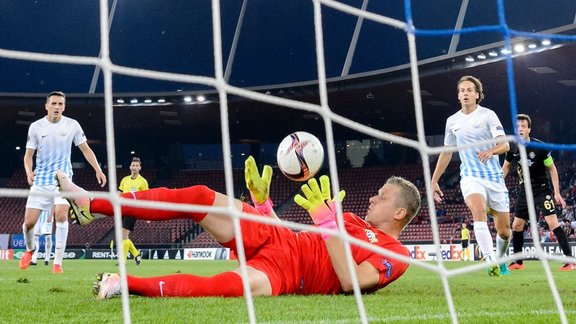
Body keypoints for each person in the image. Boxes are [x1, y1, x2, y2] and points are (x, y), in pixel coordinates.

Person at [55, 156, 421, 299]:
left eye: (382, 197)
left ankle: (122, 284)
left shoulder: (398, 255)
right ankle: (91, 205)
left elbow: (351, 283)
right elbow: (303, 237)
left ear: (400, 213)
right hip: (277, 237)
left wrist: (328, 226)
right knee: (200, 196)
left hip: (290, 274)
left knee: (225, 287)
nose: (372, 199)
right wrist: (263, 207)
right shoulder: (354, 219)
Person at [431, 75, 511, 276]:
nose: (465, 93)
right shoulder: (453, 121)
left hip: (494, 178)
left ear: (477, 95)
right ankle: (489, 258)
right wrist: (434, 180)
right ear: (458, 96)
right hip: (470, 177)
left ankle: (501, 260)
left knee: (504, 232)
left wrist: (490, 151)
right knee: (478, 210)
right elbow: (447, 152)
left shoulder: (487, 115)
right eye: (462, 90)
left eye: (469, 90)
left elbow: (505, 144)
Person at [20, 91, 107, 273]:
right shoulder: (36, 127)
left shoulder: (72, 125)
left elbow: (85, 149)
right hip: (41, 180)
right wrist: (29, 172)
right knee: (28, 223)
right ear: (46, 106)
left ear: (64, 106)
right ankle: (30, 250)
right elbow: (28, 156)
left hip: (62, 178)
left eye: (60, 104)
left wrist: (98, 170)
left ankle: (57, 263)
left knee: (61, 215)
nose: (57, 107)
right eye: (54, 104)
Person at [502, 114, 574, 271]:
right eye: (517, 126)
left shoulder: (539, 147)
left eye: (523, 126)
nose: (520, 129)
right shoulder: (512, 147)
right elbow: (506, 166)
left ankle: (570, 262)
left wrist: (557, 192)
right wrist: (499, 182)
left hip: (542, 189)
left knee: (552, 222)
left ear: (529, 129)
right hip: (524, 190)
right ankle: (518, 262)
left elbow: (552, 168)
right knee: (517, 225)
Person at [117, 157, 148, 265]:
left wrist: (147, 215)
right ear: (130, 167)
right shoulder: (125, 180)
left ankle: (123, 261)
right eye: (133, 165)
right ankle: (136, 254)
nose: (134, 167)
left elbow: (146, 198)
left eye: (136, 166)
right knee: (123, 236)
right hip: (122, 209)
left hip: (132, 210)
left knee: (124, 235)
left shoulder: (143, 182)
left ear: (140, 168)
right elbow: (119, 193)